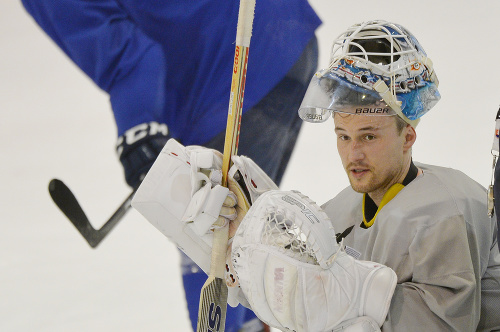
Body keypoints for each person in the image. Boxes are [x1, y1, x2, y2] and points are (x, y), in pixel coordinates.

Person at [133, 20, 500, 331]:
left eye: (369, 136)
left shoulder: (451, 211)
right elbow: (301, 295)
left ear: (408, 136)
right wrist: (244, 240)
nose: (353, 154)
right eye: (343, 136)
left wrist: (346, 297)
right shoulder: (337, 214)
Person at [20, 0, 321, 330]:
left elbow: (129, 57)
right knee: (241, 229)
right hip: (284, 31)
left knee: (208, 232)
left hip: (232, 68)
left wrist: (139, 133)